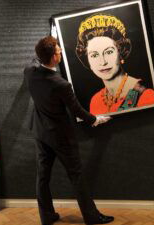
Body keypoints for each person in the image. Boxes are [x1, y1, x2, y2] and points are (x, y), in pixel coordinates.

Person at [24, 35, 114, 225]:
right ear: (54, 58)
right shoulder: (61, 84)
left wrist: (49, 41)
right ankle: (92, 217)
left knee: (42, 176)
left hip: (40, 132)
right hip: (60, 136)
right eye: (58, 51)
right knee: (76, 175)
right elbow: (77, 110)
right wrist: (96, 120)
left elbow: (34, 60)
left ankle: (46, 217)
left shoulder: (30, 72)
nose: (61, 52)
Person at [76, 13, 154, 115]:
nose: (103, 62)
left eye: (109, 52)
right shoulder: (95, 101)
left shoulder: (145, 95)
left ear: (121, 53)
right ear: (88, 61)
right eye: (94, 55)